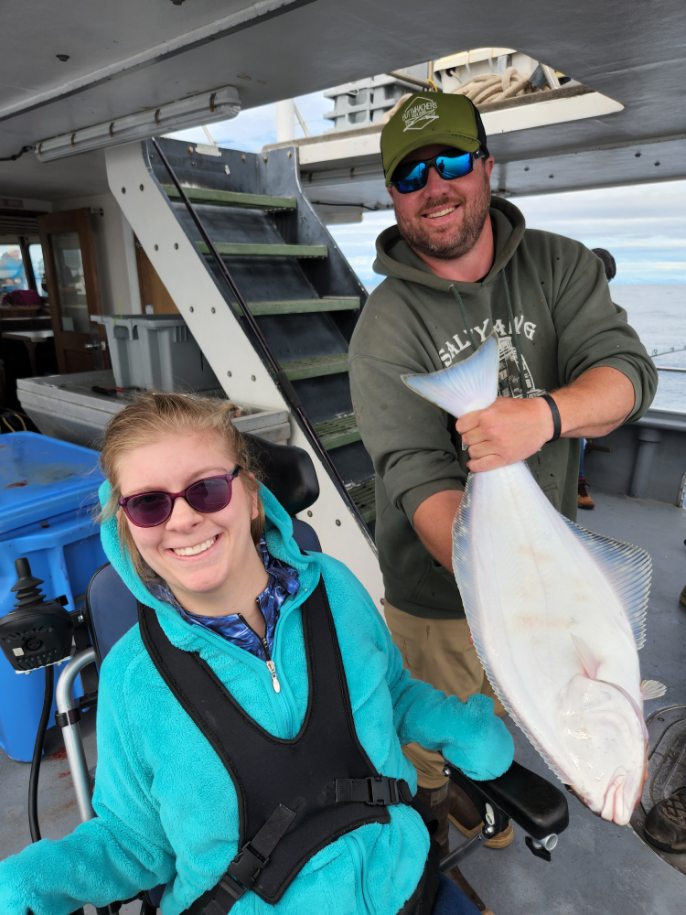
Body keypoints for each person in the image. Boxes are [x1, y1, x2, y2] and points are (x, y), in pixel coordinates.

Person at [0, 391, 514, 915]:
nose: (182, 519)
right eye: (149, 503)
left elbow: (393, 693)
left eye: (206, 489)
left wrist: (460, 726)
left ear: (249, 495)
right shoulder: (132, 680)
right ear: (128, 524)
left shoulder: (335, 588)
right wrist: (35, 881)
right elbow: (133, 842)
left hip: (405, 886)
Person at [348, 92, 657, 869]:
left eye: (452, 162)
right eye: (411, 175)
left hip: (552, 571)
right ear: (394, 195)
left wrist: (543, 417)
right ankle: (430, 819)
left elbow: (626, 374)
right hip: (434, 591)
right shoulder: (385, 325)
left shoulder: (559, 265)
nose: (435, 186)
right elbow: (415, 472)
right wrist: (502, 583)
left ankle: (479, 790)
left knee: (508, 709)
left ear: (487, 167)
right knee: (427, 731)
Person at [577, 247, 620, 510]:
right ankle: (578, 486)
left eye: (606, 280)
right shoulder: (561, 300)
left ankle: (577, 485)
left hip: (580, 389)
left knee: (578, 437)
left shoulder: (607, 313)